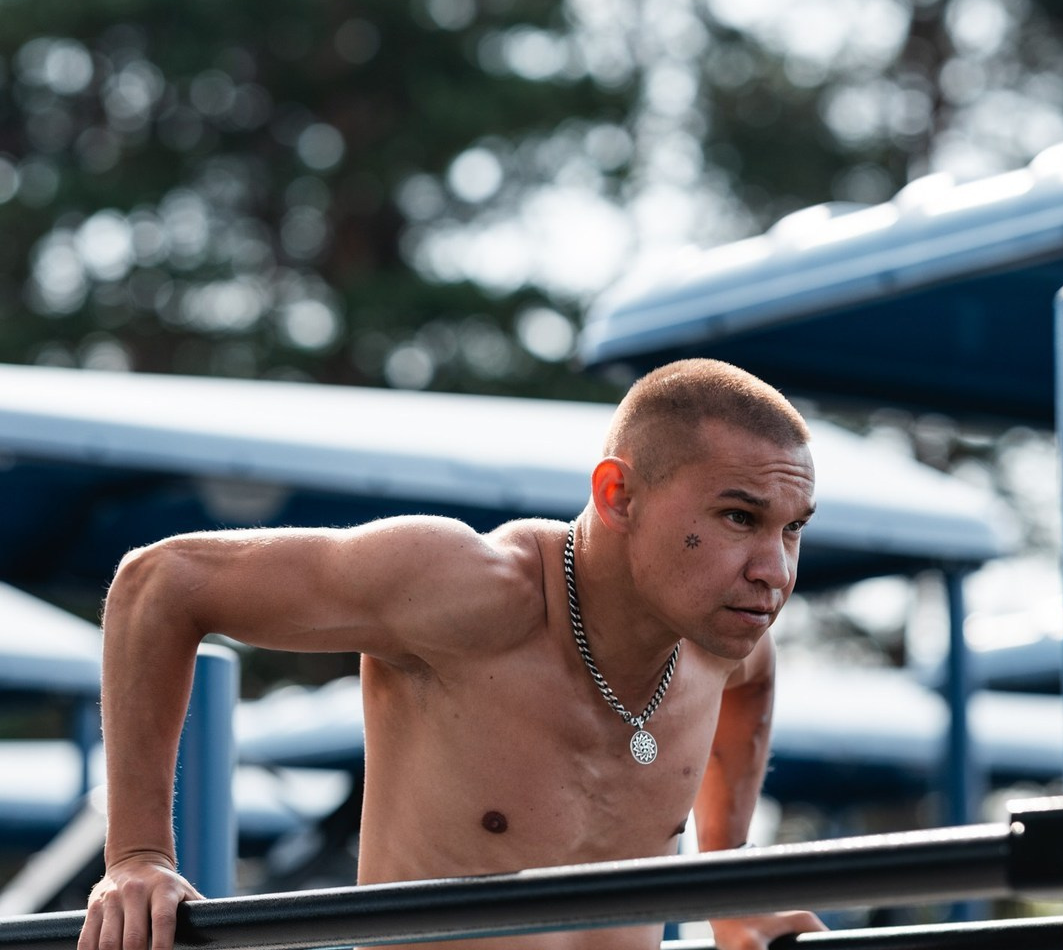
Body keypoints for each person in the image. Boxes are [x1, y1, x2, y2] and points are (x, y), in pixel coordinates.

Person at [78, 358, 826, 950]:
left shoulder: (720, 644)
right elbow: (159, 583)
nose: (776, 572)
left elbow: (753, 682)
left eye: (792, 529)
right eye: (739, 517)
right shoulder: (467, 591)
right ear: (618, 495)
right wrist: (139, 855)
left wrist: (731, 878)